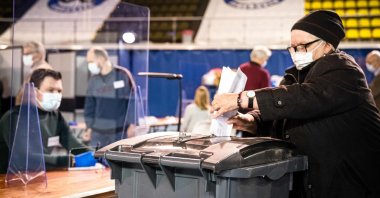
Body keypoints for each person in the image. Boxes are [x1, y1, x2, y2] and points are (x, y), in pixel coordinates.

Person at [211, 10, 380, 198]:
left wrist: (242, 98)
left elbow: (302, 98)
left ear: (327, 45)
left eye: (302, 46)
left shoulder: (345, 70)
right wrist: (251, 120)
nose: (296, 53)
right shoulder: (296, 75)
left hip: (349, 183)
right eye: (292, 47)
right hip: (312, 180)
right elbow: (284, 112)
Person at [0, 69, 87, 173]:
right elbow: (26, 159)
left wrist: (97, 155)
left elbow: (75, 145)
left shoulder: (55, 116)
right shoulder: (13, 118)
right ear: (34, 92)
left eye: (59, 91)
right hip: (10, 181)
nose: (56, 95)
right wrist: (70, 160)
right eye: (50, 90)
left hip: (40, 177)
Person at [84, 46, 136, 148]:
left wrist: (132, 124)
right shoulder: (93, 80)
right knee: (97, 163)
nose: (89, 65)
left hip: (119, 132)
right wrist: (89, 127)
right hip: (97, 133)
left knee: (118, 162)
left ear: (101, 59)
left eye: (91, 61)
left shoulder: (122, 75)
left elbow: (132, 101)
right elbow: (89, 106)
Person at [16, 41, 53, 105]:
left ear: (39, 54)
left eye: (27, 54)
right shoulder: (36, 69)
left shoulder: (42, 70)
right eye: (23, 54)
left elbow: (34, 95)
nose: (24, 57)